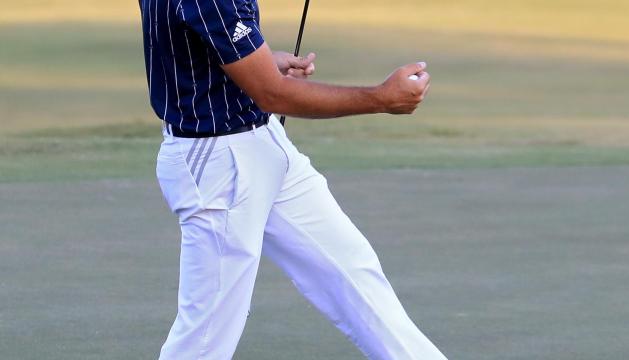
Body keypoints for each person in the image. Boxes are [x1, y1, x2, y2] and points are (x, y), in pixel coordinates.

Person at [139, 0, 446, 358]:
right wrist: (380, 99)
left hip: (262, 142)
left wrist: (256, 58)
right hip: (219, 162)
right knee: (208, 329)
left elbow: (185, 43)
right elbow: (273, 93)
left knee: (352, 271)